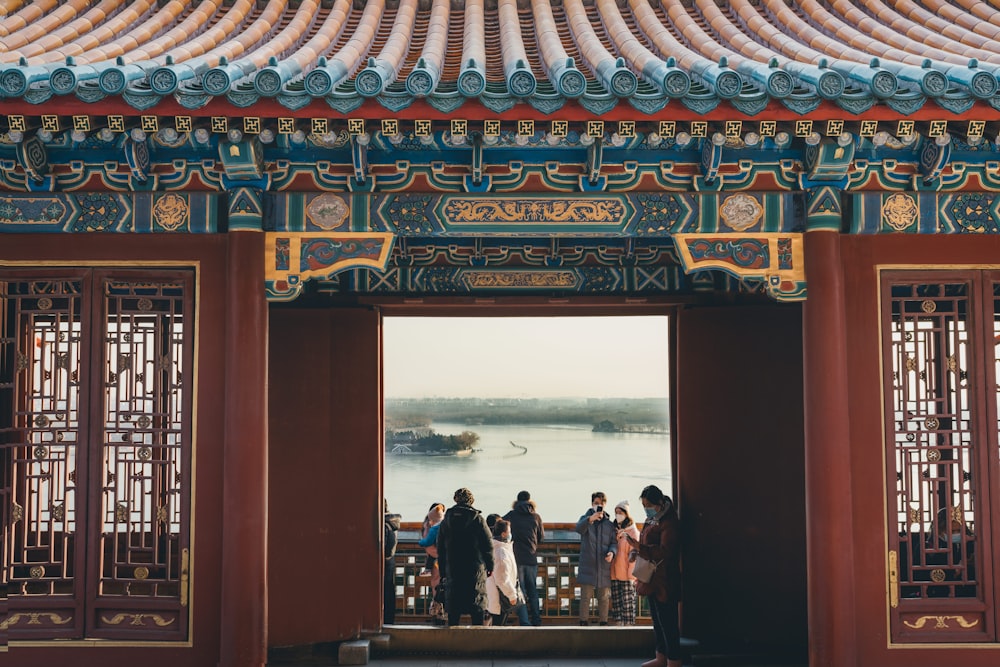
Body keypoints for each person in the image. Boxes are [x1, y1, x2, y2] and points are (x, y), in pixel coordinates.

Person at [625, 485, 682, 667]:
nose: (646, 507)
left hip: (664, 579)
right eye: (643, 504)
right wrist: (637, 551)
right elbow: (646, 542)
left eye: (648, 504)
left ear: (659, 502)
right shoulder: (652, 519)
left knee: (668, 623)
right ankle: (661, 657)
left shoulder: (669, 522)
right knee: (657, 622)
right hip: (651, 577)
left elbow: (666, 551)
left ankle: (674, 660)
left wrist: (639, 548)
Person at [437, 487, 494, 626]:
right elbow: (488, 546)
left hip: (453, 569)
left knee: (454, 609)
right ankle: (477, 642)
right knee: (477, 606)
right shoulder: (478, 520)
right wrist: (490, 566)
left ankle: (453, 642)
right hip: (474, 569)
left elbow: (441, 549)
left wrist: (443, 572)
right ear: (471, 501)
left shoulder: (446, 521)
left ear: (455, 500)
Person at [503, 490, 545, 626]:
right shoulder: (536, 517)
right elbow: (541, 538)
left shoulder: (511, 516)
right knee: (533, 590)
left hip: (516, 559)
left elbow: (499, 527)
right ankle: (537, 620)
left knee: (519, 590)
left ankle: (525, 622)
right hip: (531, 558)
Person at [575, 491, 617, 626]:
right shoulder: (585, 518)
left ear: (605, 505)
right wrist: (590, 519)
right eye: (596, 503)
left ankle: (603, 623)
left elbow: (614, 543)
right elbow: (578, 529)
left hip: (603, 565)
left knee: (604, 597)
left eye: (601, 503)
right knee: (585, 597)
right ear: (592, 504)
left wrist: (612, 552)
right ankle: (583, 622)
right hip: (588, 564)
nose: (598, 506)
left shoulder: (609, 524)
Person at [610, 500, 640, 625]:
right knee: (617, 604)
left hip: (627, 575)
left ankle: (629, 628)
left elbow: (634, 553)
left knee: (628, 604)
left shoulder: (633, 532)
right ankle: (618, 628)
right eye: (616, 512)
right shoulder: (614, 530)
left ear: (626, 514)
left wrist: (631, 575)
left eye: (620, 512)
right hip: (614, 573)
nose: (618, 515)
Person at [485, 519, 520, 626]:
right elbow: (502, 578)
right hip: (500, 597)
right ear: (504, 534)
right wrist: (512, 595)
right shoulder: (501, 552)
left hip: (495, 595)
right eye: (509, 532)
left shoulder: (496, 548)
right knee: (498, 628)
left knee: (496, 626)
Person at [418, 502, 446, 623]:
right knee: (440, 587)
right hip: (440, 562)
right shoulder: (438, 525)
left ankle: (437, 613)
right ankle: (439, 614)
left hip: (435, 560)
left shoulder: (428, 524)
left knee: (437, 588)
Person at [383, 499, 402, 625]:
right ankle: (389, 620)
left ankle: (385, 620)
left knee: (384, 593)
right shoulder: (392, 522)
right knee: (389, 591)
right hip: (390, 562)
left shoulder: (383, 524)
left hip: (382, 563)